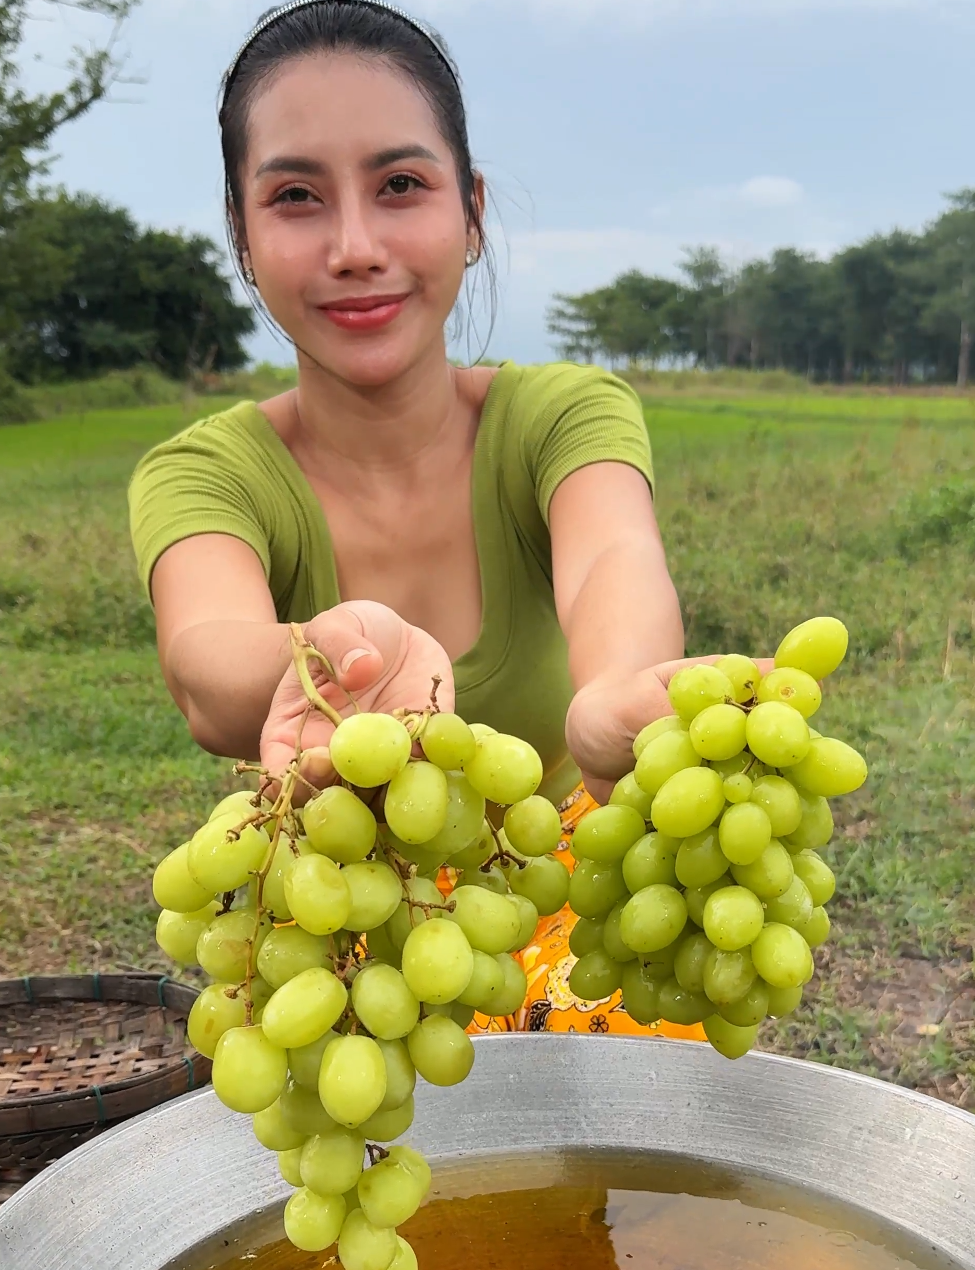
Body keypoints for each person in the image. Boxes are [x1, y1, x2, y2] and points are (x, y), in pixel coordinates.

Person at [130, 0, 736, 1039]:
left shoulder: (562, 414)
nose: (356, 246)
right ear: (241, 233)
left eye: (400, 185)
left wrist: (613, 696)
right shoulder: (208, 472)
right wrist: (326, 658)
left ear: (472, 211)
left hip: (565, 912)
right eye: (296, 197)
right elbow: (203, 657)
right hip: (343, 932)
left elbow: (611, 563)